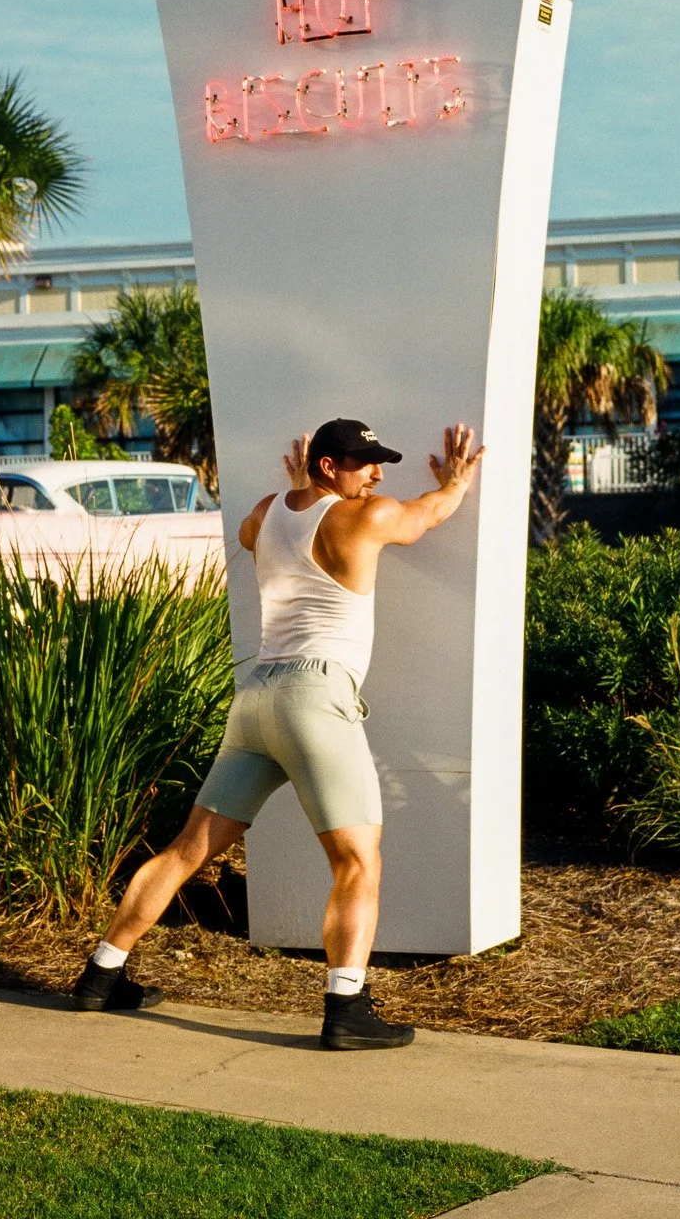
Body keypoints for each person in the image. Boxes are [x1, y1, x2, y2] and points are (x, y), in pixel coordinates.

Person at [70, 415, 484, 1049]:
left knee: (187, 849)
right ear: (327, 466)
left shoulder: (267, 511)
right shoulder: (366, 517)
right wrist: (455, 483)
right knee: (357, 862)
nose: (375, 476)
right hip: (316, 699)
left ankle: (101, 976)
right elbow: (425, 516)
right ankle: (346, 1008)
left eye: (378, 465)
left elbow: (250, 532)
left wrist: (298, 497)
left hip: (258, 699)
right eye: (363, 464)